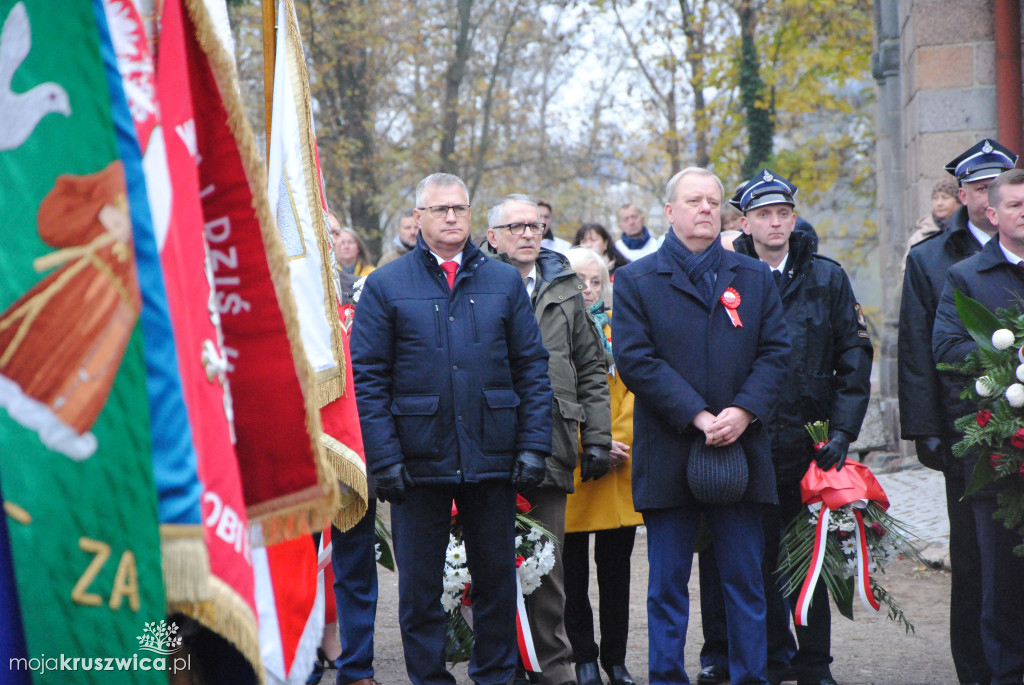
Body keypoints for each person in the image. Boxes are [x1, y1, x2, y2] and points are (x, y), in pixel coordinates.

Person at [351, 173, 554, 685]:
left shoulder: (503, 282)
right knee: (419, 590)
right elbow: (369, 379)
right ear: (417, 218)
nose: (451, 218)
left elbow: (531, 367)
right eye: (439, 209)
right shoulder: (386, 284)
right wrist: (385, 458)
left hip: (493, 455)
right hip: (417, 461)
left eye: (459, 209)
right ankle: (429, 677)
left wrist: (532, 445)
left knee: (495, 584)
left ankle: (494, 676)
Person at [613, 167, 790, 685]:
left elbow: (777, 353)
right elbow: (636, 360)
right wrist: (697, 414)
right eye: (694, 201)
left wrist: (742, 411)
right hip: (669, 449)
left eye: (714, 201)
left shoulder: (752, 276)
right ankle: (667, 676)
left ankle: (750, 676)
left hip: (741, 449)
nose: (707, 209)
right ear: (670, 212)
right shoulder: (637, 280)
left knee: (744, 580)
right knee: (667, 584)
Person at [699, 169, 873, 685]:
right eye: (763, 215)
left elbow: (854, 357)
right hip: (749, 445)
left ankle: (815, 663)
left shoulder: (827, 277)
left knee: (814, 559)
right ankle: (772, 658)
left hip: (810, 446)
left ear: (793, 219)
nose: (774, 223)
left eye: (782, 213)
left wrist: (841, 432)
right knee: (757, 559)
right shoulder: (726, 277)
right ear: (744, 223)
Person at [898, 138, 1017, 685]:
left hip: (1006, 425)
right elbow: (920, 353)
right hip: (967, 430)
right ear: (969, 196)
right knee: (974, 557)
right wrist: (925, 429)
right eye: (977, 186)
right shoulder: (931, 259)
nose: (986, 194)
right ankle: (976, 666)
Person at [486, 194, 612, 685]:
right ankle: (497, 664)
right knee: (487, 562)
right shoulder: (475, 281)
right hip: (489, 444)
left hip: (555, 440)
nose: (527, 234)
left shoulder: (563, 285)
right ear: (493, 236)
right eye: (514, 226)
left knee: (547, 567)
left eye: (535, 225)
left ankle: (552, 667)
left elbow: (590, 365)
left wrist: (597, 437)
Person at [933, 168, 1024, 685]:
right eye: (1014, 206)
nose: (1023, 214)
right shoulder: (967, 277)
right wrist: (1009, 358)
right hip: (998, 453)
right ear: (992, 214)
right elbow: (946, 349)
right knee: (1002, 585)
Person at [562, 247, 641, 685]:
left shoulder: (623, 329)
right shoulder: (551, 327)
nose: (587, 289)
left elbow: (637, 388)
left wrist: (619, 441)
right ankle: (584, 657)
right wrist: (590, 442)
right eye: (578, 281)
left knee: (616, 574)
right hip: (575, 463)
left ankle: (615, 659)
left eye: (594, 281)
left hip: (619, 465)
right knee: (571, 575)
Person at [901, 179, 963, 275]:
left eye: (945, 198)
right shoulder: (920, 237)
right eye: (935, 198)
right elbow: (907, 272)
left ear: (959, 201)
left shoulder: (969, 230)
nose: (939, 203)